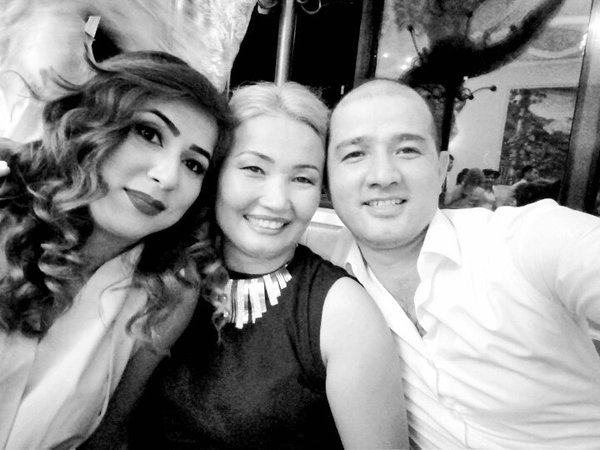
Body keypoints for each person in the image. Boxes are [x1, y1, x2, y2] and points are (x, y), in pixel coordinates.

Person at [121, 81, 408, 449]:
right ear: (215, 174)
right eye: (254, 168)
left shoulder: (341, 311)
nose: (276, 201)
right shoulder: (160, 270)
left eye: (302, 178)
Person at [320, 78, 600, 448]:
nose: (383, 176)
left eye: (407, 150)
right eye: (355, 154)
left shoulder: (522, 241)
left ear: (441, 170)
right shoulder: (327, 277)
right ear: (327, 178)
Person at [0, 50, 234, 449]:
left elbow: (107, 438)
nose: (167, 177)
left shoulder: (168, 294)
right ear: (93, 124)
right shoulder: (6, 211)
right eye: (148, 133)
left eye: (194, 164)